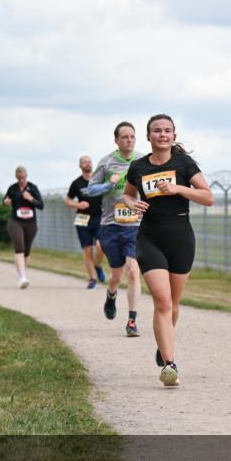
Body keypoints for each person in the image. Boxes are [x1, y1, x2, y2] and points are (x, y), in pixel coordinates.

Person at [121, 114, 214, 387]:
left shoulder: (183, 163)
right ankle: (170, 364)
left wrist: (178, 188)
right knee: (162, 300)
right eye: (157, 131)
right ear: (148, 137)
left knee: (173, 303)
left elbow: (207, 197)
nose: (162, 135)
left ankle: (164, 343)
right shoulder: (138, 167)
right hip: (149, 238)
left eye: (167, 131)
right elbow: (128, 194)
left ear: (173, 136)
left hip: (181, 238)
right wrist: (131, 202)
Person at [88, 123, 144, 337]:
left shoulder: (141, 161)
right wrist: (108, 186)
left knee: (133, 272)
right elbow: (90, 190)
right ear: (116, 140)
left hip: (135, 226)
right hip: (111, 226)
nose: (129, 140)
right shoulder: (107, 162)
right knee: (117, 275)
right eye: (124, 137)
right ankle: (111, 294)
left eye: (132, 136)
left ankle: (132, 321)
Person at [65, 155, 107, 289]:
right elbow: (68, 199)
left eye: (89, 161)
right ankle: (92, 278)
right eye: (84, 162)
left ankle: (98, 265)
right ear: (80, 165)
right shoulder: (76, 183)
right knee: (87, 249)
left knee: (101, 246)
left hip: (100, 218)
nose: (87, 164)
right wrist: (78, 205)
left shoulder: (99, 180)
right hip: (82, 219)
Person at [2, 166, 44, 288]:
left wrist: (30, 198)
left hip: (30, 223)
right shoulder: (13, 188)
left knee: (26, 251)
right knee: (19, 247)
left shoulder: (33, 188)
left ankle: (22, 274)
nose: (22, 180)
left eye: (24, 178)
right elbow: (5, 200)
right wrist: (5, 202)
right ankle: (22, 277)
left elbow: (41, 205)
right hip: (16, 221)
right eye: (19, 178)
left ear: (27, 176)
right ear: (16, 177)